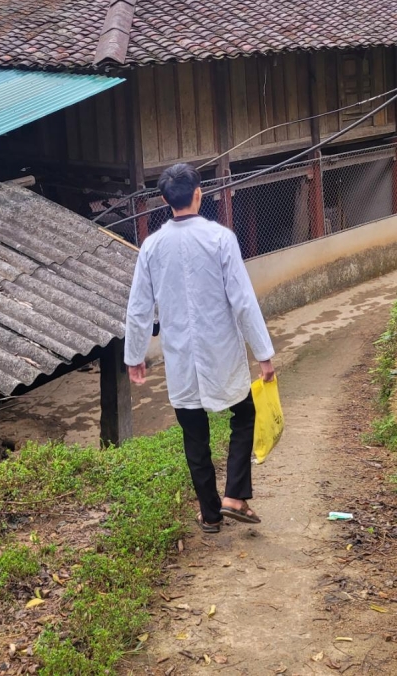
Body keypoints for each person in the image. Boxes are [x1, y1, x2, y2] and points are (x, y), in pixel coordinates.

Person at [124, 162, 276, 533]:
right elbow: (242, 300)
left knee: (195, 436)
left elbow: (139, 306)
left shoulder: (151, 247)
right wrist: (264, 354)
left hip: (180, 360)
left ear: (164, 200)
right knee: (243, 415)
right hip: (220, 352)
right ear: (199, 194)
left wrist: (134, 355)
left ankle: (210, 514)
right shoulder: (220, 238)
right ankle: (234, 496)